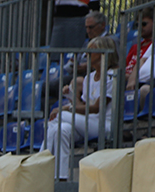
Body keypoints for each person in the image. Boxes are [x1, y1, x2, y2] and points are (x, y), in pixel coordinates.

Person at [45, 36, 119, 181]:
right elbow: (82, 106)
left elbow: (96, 108)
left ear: (105, 53)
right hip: (86, 122)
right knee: (61, 130)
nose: (87, 54)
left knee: (60, 117)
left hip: (103, 124)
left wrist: (64, 110)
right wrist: (71, 98)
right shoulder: (89, 77)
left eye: (92, 51)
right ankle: (61, 178)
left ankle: (40, 161)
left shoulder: (112, 76)